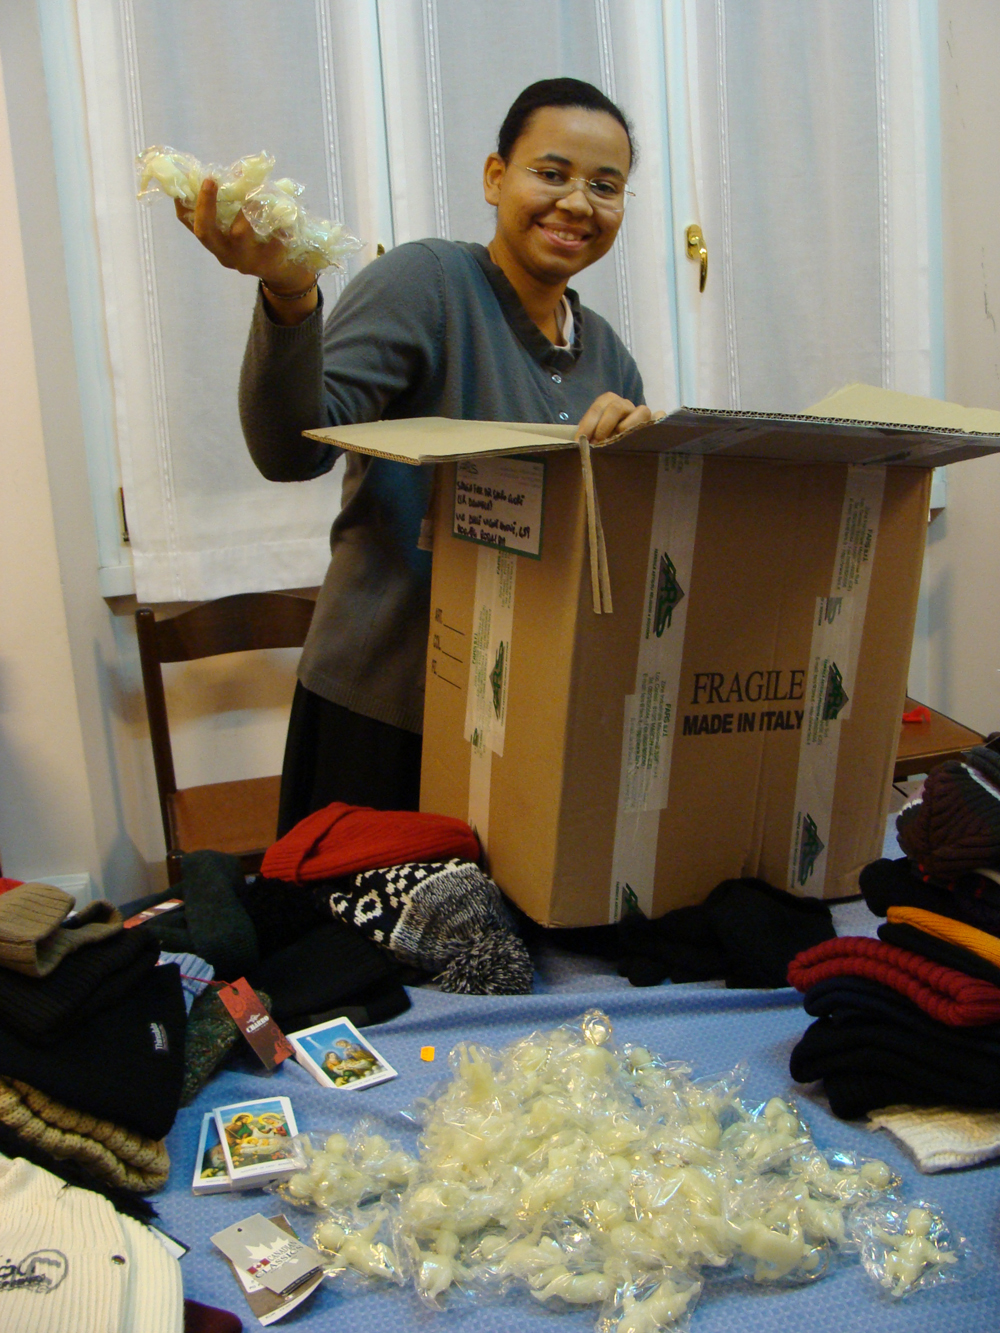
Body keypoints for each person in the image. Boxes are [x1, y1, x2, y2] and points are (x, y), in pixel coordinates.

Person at [177, 78, 651, 833]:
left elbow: (603, 557)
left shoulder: (610, 359)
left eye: (605, 185)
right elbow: (290, 450)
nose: (576, 203)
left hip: (521, 718)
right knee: (369, 912)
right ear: (495, 177)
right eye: (551, 173)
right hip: (383, 708)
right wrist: (290, 294)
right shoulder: (428, 283)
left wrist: (640, 465)